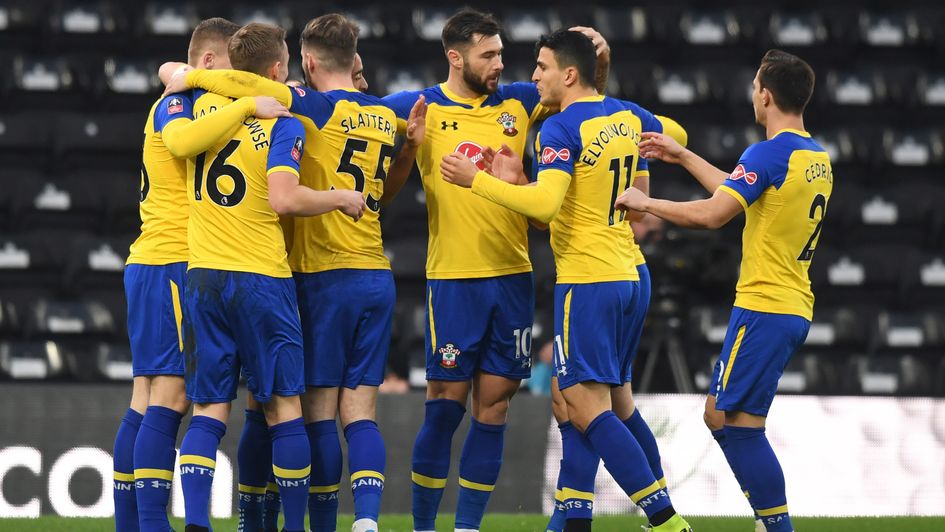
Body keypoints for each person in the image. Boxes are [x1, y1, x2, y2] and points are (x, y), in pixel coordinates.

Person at [164, 14, 426, 532]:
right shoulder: (373, 112)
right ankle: (360, 521)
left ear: (304, 64)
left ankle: (240, 520)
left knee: (257, 410)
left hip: (287, 272)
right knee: (349, 410)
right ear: (354, 62)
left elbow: (177, 81)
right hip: (357, 273)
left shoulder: (273, 107)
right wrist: (409, 146)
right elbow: (378, 196)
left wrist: (190, 76)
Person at [440, 28, 692, 532]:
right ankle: (573, 519)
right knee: (591, 397)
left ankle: (664, 520)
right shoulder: (628, 114)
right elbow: (675, 137)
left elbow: (547, 206)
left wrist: (481, 182)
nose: (533, 77)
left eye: (541, 67)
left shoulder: (558, 129)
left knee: (583, 402)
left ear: (569, 74)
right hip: (631, 272)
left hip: (590, 279)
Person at [381, 10, 611, 532]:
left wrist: (602, 59)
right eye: (489, 56)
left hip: (512, 278)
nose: (500, 65)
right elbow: (350, 116)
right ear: (455, 57)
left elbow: (589, 102)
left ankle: (466, 528)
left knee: (495, 406)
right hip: (454, 280)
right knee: (443, 407)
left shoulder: (518, 101)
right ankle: (422, 527)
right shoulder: (420, 106)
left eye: (502, 54)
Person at [616, 49, 830, 532]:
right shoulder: (814, 157)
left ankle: (776, 526)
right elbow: (738, 193)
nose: (753, 94)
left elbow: (715, 214)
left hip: (765, 305)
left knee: (736, 424)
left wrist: (646, 203)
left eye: (756, 86)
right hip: (791, 304)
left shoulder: (769, 152)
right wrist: (682, 154)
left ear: (766, 96)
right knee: (723, 417)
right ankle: (769, 521)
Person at [114, 16, 273, 532]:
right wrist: (248, 103)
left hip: (154, 262)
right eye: (230, 72)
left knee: (146, 395)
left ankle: (131, 526)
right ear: (205, 63)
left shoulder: (186, 98)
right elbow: (182, 144)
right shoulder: (178, 103)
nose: (236, 82)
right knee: (172, 396)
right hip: (171, 261)